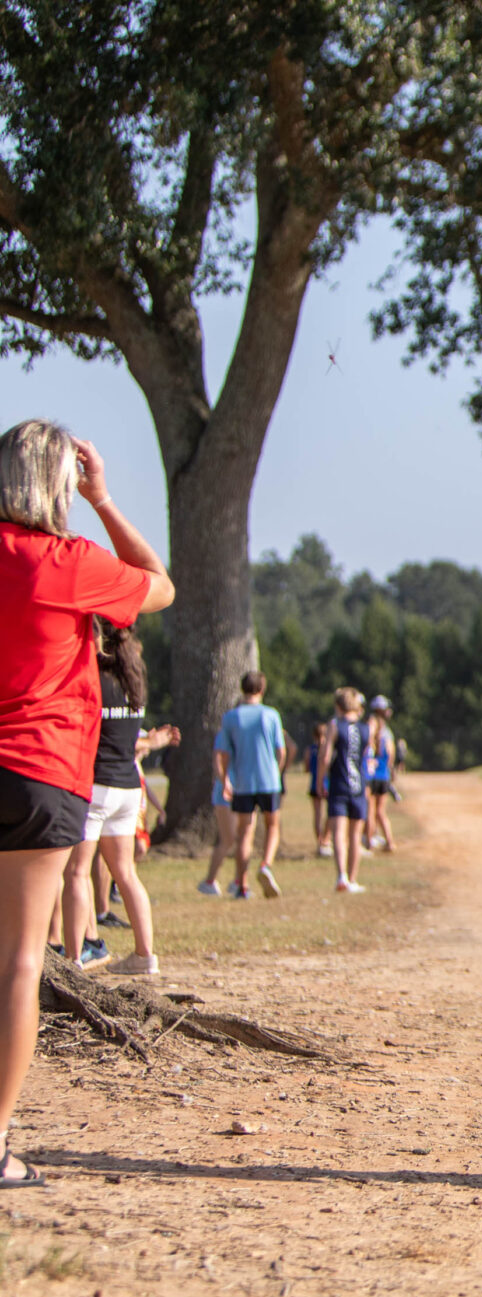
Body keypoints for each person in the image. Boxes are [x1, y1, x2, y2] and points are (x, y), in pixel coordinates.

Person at [0, 422, 173, 1185]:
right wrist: (103, 500)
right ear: (60, 485)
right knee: (19, 960)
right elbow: (159, 584)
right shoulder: (66, 562)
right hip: (40, 771)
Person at [59, 621, 175, 974]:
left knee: (77, 873)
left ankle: (74, 959)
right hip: (127, 785)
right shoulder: (133, 683)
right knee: (125, 873)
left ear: (100, 641)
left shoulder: (92, 680)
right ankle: (144, 955)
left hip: (94, 785)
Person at [216, 669, 287, 899]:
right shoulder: (271, 715)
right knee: (272, 826)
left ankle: (242, 885)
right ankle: (265, 865)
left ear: (242, 689)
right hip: (269, 780)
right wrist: (277, 771)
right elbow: (281, 750)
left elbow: (222, 753)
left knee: (245, 832)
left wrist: (225, 779)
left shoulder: (231, 717)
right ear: (262, 689)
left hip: (243, 782)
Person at [317, 688, 370, 893]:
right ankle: (353, 879)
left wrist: (321, 780)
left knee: (339, 833)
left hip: (339, 785)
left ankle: (341, 876)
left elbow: (325, 756)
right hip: (359, 787)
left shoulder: (335, 726)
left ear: (338, 706)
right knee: (355, 835)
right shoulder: (366, 729)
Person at [364, 696, 398, 853]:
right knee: (381, 812)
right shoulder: (387, 735)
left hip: (371, 777)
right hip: (384, 776)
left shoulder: (369, 733)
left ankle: (369, 842)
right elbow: (391, 756)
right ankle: (390, 841)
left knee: (370, 812)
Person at [303, 720, 330, 855]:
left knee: (317, 814)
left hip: (314, 784)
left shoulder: (309, 750)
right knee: (331, 813)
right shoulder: (328, 749)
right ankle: (325, 839)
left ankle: (320, 841)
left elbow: (306, 768)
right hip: (327, 784)